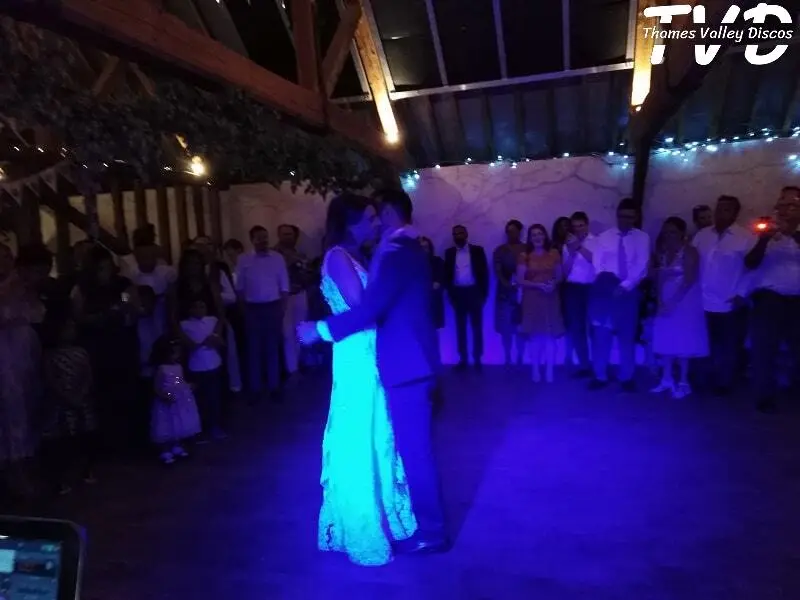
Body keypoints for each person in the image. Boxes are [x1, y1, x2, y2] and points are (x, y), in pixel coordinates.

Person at [297, 190, 448, 563]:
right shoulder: (379, 252)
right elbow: (365, 308)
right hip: (370, 360)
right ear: (349, 223)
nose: (376, 222)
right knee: (370, 439)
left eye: (377, 215)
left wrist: (319, 329)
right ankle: (388, 520)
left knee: (400, 447)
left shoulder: (396, 251)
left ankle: (431, 532)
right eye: (368, 217)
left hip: (397, 362)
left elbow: (368, 310)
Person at [588, 198, 651, 392]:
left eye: (630, 217)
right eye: (623, 216)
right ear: (617, 215)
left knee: (627, 336)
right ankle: (600, 375)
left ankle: (627, 376)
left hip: (629, 293)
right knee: (602, 335)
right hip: (605, 292)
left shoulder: (642, 237)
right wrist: (607, 284)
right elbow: (598, 263)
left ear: (636, 217)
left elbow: (642, 264)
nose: (626, 220)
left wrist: (625, 285)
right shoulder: (604, 237)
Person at [650, 217, 709, 399]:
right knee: (667, 338)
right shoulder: (662, 252)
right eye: (666, 231)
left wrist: (674, 302)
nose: (669, 235)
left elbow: (689, 279)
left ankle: (683, 381)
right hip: (666, 299)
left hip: (685, 301)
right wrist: (660, 300)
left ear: (682, 233)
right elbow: (658, 277)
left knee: (683, 340)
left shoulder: (690, 251)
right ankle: (667, 378)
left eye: (673, 231)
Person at [41, 318, 98, 495]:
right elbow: (50, 379)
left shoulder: (81, 352)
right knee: (63, 443)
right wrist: (67, 397)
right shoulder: (50, 356)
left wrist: (81, 394)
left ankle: (86, 471)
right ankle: (62, 479)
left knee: (86, 437)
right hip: (61, 406)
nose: (70, 332)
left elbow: (88, 374)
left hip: (81, 402)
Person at [235, 226, 289, 402]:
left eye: (265, 237)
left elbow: (284, 285)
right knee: (253, 349)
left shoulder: (278, 258)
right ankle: (255, 389)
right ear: (252, 240)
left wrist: (282, 308)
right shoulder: (243, 259)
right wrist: (243, 309)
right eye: (259, 238)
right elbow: (240, 287)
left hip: (273, 306)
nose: (263, 241)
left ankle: (274, 387)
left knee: (272, 348)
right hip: (252, 308)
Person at [517, 224, 565, 383]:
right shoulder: (524, 256)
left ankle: (550, 370)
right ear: (530, 238)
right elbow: (520, 280)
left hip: (550, 298)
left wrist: (552, 284)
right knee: (535, 337)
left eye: (540, 234)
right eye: (534, 235)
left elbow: (560, 276)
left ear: (545, 236)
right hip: (532, 299)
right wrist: (538, 285)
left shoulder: (554, 253)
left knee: (550, 337)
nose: (537, 237)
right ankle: (535, 369)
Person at [150, 335, 202, 465]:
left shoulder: (178, 367)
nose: (177, 355)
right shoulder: (161, 369)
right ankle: (166, 449)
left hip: (178, 398)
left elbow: (178, 380)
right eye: (174, 352)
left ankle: (177, 445)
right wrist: (164, 395)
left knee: (179, 422)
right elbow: (157, 386)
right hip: (167, 399)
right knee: (168, 424)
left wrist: (187, 386)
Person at [443, 225, 489, 370]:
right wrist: (450, 294)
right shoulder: (449, 253)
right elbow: (447, 275)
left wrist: (483, 294)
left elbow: (484, 273)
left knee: (477, 327)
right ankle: (463, 359)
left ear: (466, 234)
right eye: (455, 234)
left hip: (474, 292)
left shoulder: (477, 251)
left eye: (461, 233)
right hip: (458, 293)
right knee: (460, 328)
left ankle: (477, 359)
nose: (458, 236)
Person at [180, 297, 226, 441]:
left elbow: (219, 341)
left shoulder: (212, 320)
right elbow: (189, 345)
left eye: (202, 306)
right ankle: (198, 430)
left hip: (214, 365)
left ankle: (214, 427)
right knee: (198, 401)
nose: (199, 310)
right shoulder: (184, 325)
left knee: (214, 399)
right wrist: (203, 342)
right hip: (196, 368)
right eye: (196, 307)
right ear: (190, 309)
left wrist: (215, 339)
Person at [561, 212, 596, 376]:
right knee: (576, 328)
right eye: (575, 227)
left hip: (591, 288)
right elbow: (565, 272)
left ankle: (598, 366)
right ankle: (584, 366)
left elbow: (596, 261)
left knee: (594, 327)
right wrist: (572, 252)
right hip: (573, 288)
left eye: (581, 225)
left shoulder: (596, 241)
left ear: (587, 225)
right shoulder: (567, 245)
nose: (578, 230)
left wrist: (579, 247)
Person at [492, 220, 527, 366]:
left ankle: (520, 356)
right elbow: (497, 270)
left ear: (520, 231)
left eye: (513, 230)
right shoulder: (500, 250)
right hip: (505, 293)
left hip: (523, 292)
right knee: (506, 327)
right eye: (508, 231)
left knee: (520, 326)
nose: (510, 233)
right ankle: (507, 356)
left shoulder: (526, 248)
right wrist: (508, 284)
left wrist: (521, 284)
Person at [419, 236, 445, 330]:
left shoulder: (437, 262)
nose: (423, 250)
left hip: (433, 307)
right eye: (420, 247)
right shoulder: (412, 265)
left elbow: (437, 285)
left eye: (425, 247)